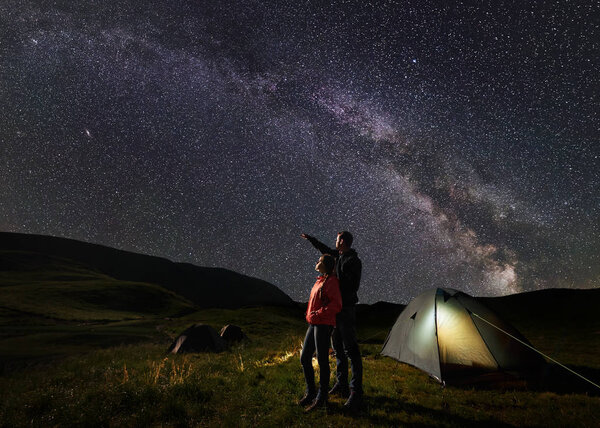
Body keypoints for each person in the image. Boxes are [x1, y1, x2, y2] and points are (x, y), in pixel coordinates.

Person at [301, 231, 363, 411]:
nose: (335, 243)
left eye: (337, 240)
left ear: (342, 241)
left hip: (346, 309)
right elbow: (325, 249)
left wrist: (334, 281)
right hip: (336, 311)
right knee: (337, 348)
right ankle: (341, 384)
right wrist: (312, 239)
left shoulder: (353, 261)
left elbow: (353, 286)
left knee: (351, 350)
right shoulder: (338, 256)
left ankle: (355, 392)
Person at [298, 254, 342, 412]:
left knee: (322, 360)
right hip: (314, 323)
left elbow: (336, 305)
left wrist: (317, 314)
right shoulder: (320, 281)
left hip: (323, 324)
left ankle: (322, 398)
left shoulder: (331, 282)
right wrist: (311, 314)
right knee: (305, 357)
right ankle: (311, 393)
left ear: (326, 265)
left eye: (320, 260)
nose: (317, 262)